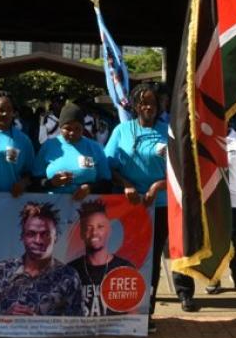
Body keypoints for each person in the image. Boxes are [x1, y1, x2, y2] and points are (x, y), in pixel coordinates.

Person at [105, 83, 173, 325]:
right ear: (134, 106)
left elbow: (180, 171)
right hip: (127, 206)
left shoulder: (168, 131)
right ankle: (120, 308)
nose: (148, 107)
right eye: (143, 103)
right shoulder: (121, 131)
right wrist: (125, 184)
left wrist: (158, 186)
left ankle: (146, 312)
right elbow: (109, 166)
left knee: (151, 258)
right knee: (123, 254)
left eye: (152, 103)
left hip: (159, 205)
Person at [0, 202, 83, 316]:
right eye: (31, 234)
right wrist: (5, 318)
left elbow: (75, 323)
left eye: (45, 234)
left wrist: (38, 324)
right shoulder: (2, 270)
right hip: (7, 333)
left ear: (55, 237)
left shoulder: (68, 276)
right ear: (22, 237)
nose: (38, 240)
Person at [206, 121, 236, 293]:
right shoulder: (207, 138)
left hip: (232, 199)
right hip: (212, 198)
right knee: (214, 239)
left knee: (232, 238)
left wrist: (234, 186)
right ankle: (214, 278)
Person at [68, 200, 135, 317]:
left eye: (100, 227)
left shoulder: (126, 269)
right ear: (82, 233)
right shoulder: (69, 271)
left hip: (115, 333)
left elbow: (133, 315)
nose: (94, 232)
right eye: (89, 227)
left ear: (109, 230)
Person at [33, 103, 111, 200]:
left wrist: (90, 188)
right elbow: (34, 181)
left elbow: (107, 183)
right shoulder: (48, 146)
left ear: (83, 127)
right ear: (60, 128)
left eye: (77, 128)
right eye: (67, 128)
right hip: (53, 208)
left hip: (86, 207)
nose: (72, 132)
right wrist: (51, 182)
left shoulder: (95, 147)